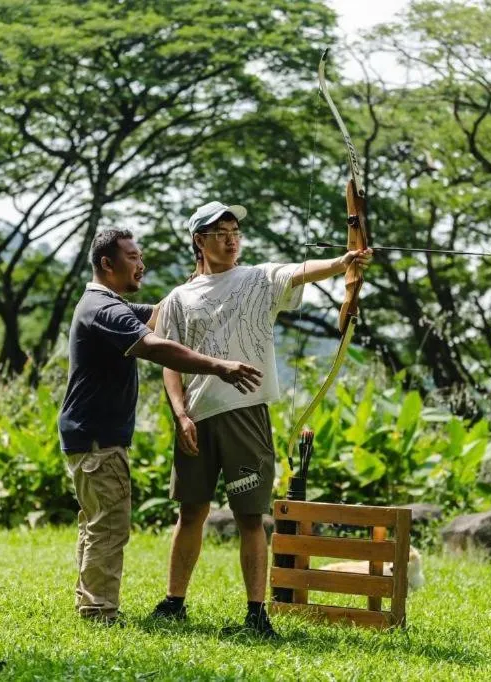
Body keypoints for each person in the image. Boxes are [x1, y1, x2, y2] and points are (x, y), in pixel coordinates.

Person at [149, 201, 371, 638]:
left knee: (251, 517)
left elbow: (302, 270)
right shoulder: (178, 298)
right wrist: (180, 415)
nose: (231, 239)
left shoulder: (257, 278)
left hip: (245, 413)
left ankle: (255, 613)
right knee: (190, 512)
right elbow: (167, 360)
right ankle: (175, 602)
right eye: (219, 232)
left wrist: (346, 261)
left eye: (235, 231)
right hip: (195, 416)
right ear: (199, 241)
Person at [59, 228, 264, 625]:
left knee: (96, 522)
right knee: (109, 526)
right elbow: (155, 345)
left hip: (89, 435)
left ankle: (91, 604)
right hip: (97, 438)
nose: (141, 264)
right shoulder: (102, 309)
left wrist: (196, 284)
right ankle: (99, 611)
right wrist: (218, 365)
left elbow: (160, 317)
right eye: (133, 257)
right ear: (107, 263)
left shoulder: (108, 305)